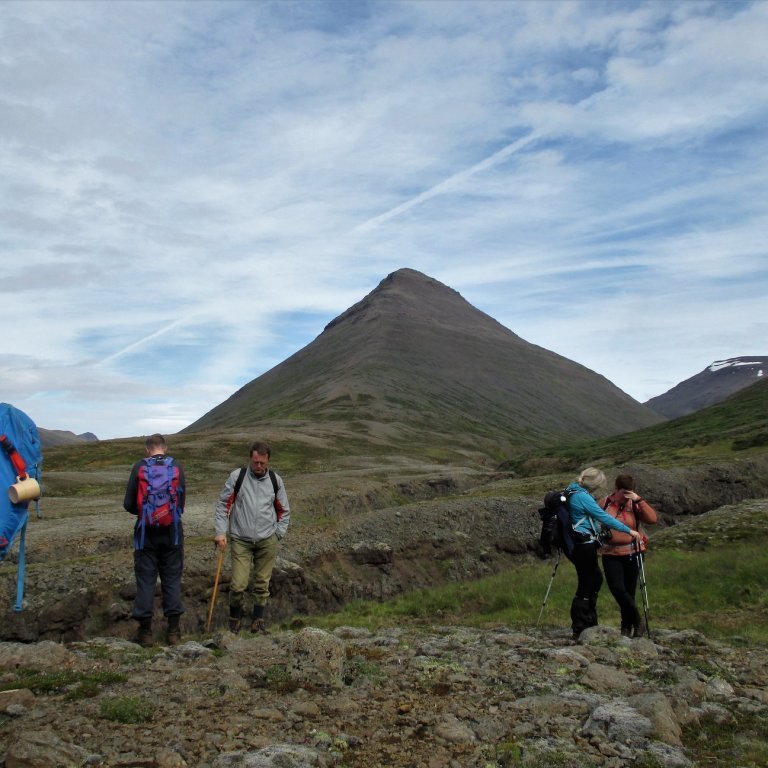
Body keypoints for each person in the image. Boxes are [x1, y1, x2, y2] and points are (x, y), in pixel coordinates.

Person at [214, 441, 290, 633]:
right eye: (255, 462)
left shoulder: (275, 481)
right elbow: (223, 505)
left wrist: (278, 534)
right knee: (238, 584)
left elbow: (284, 510)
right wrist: (221, 532)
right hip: (241, 539)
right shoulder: (237, 477)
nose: (258, 466)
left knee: (262, 584)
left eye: (262, 463)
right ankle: (234, 621)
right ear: (250, 458)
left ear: (268, 461)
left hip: (267, 540)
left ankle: (257, 621)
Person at [123, 434, 186, 647]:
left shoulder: (139, 467)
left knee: (146, 581)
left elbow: (128, 503)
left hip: (145, 536)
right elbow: (181, 503)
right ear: (164, 448)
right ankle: (173, 633)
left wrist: (147, 514)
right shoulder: (176, 466)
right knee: (172, 579)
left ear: (147, 449)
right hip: (172, 535)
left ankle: (146, 634)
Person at [565, 467, 641, 641]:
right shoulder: (582, 496)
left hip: (579, 544)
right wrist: (629, 531)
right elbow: (603, 516)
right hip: (584, 545)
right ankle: (581, 625)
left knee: (592, 580)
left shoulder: (571, 490)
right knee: (587, 584)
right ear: (595, 483)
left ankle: (588, 622)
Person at [600, 474, 658, 637]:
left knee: (629, 591)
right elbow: (595, 520)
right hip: (610, 552)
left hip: (633, 552)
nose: (625, 497)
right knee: (617, 589)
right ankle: (637, 620)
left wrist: (638, 500)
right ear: (616, 489)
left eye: (629, 493)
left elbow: (652, 519)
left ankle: (626, 627)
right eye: (623, 493)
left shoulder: (635, 504)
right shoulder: (605, 503)